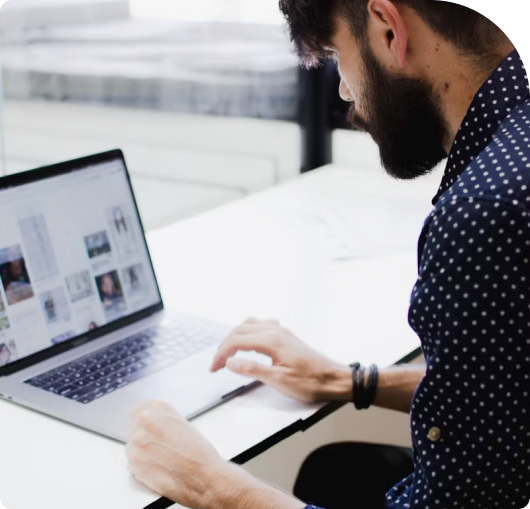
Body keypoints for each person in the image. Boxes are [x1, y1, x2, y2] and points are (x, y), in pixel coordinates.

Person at [125, 1, 530, 508]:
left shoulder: (487, 211)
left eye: (339, 55)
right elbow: (507, 390)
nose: (343, 90)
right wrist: (348, 380)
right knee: (337, 470)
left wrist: (206, 483)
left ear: (388, 29)